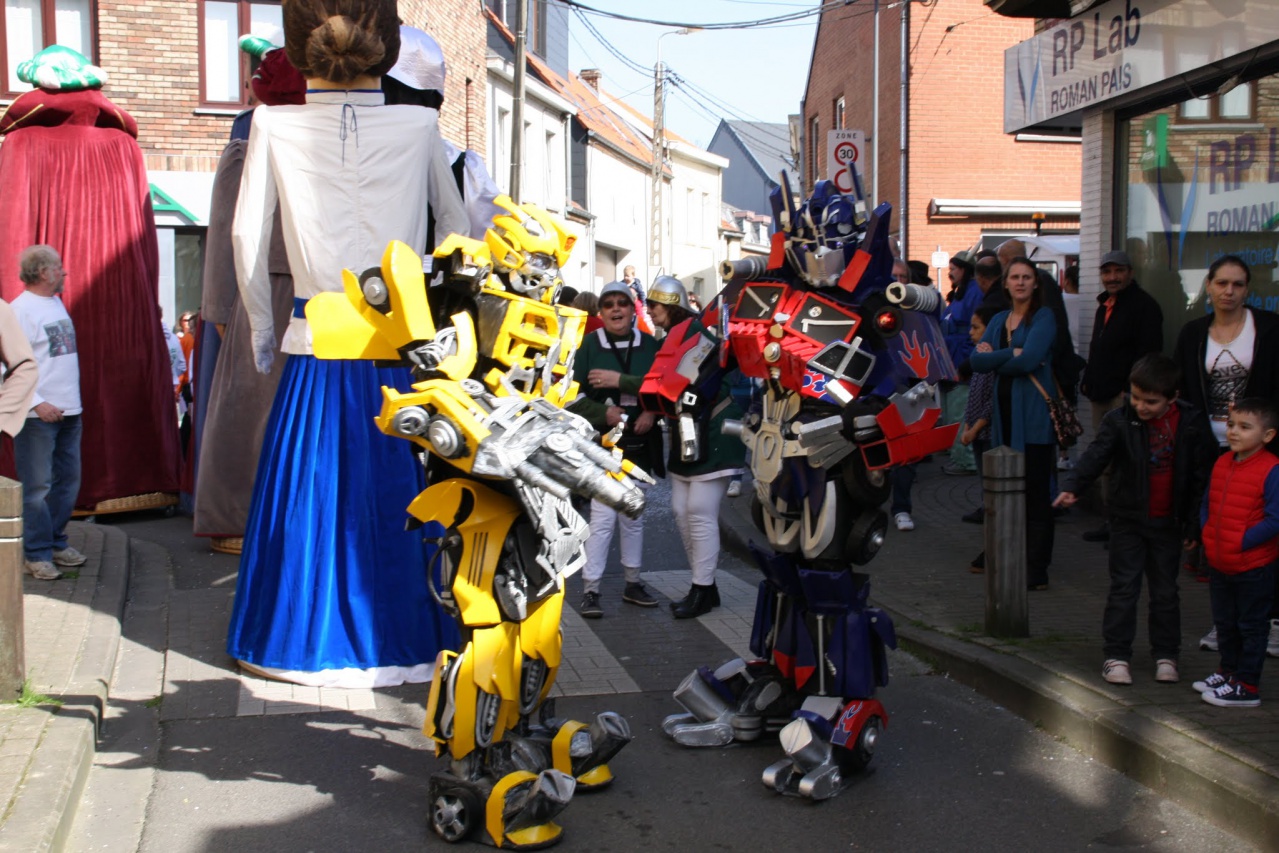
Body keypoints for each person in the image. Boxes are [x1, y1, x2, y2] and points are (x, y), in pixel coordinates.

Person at [226, 0, 468, 687]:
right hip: (401, 346)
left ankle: (300, 642)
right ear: (383, 45)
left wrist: (263, 331)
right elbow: (456, 232)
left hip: (316, 341)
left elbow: (246, 236)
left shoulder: (273, 123)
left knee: (310, 492)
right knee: (405, 494)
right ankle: (409, 641)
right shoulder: (421, 126)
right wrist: (450, 326)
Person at [1054, 354, 1217, 686]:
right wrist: (1073, 486)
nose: (1141, 406)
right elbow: (1096, 454)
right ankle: (1116, 655)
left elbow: (1201, 478)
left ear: (1172, 397)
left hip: (1168, 523)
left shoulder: (1191, 423)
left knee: (1165, 592)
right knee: (1124, 588)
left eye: (1150, 401)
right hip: (1127, 519)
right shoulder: (1119, 420)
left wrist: (1194, 525)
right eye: (1136, 397)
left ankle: (1166, 655)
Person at [1171, 255, 1279, 657]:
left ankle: (1272, 621)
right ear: (1209, 287)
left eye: (1237, 284)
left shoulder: (1269, 329)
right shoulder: (1193, 333)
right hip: (1212, 447)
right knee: (1220, 535)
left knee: (1264, 537)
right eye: (1221, 283)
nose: (1229, 291)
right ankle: (1226, 622)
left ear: (1247, 289)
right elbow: (1183, 390)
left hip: (1261, 448)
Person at [643, 275, 745, 618]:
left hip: (713, 431)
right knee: (681, 510)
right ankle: (706, 586)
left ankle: (701, 589)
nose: (649, 311)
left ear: (671, 305)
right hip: (687, 432)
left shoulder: (700, 335)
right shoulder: (675, 336)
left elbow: (694, 384)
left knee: (699, 512)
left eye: (653, 305)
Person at [569, 281, 663, 618]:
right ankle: (591, 588)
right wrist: (602, 413)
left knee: (633, 515)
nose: (615, 309)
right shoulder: (588, 344)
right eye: (608, 304)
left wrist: (652, 413)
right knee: (602, 517)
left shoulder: (650, 345)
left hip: (640, 441)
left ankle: (632, 583)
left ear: (631, 309)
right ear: (601, 311)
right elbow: (571, 395)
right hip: (603, 443)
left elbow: (663, 387)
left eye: (621, 303)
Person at [971, 256, 1058, 590]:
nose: (1020, 282)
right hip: (1003, 420)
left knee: (1035, 496)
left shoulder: (1044, 317)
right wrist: (1012, 354)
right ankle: (1005, 554)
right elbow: (976, 362)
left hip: (1033, 422)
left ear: (1035, 283)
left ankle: (1037, 569)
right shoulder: (999, 320)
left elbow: (1030, 360)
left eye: (1027, 277)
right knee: (1005, 492)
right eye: (1015, 277)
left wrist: (998, 359)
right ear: (1005, 284)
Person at [1194, 398, 1279, 707]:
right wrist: (1207, 533)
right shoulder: (1223, 462)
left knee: (1251, 626)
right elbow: (1208, 502)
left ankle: (1247, 685)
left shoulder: (1272, 469)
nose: (1233, 432)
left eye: (1244, 427)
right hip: (1221, 562)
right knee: (1225, 623)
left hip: (1253, 566)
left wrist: (1239, 541)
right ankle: (1228, 672)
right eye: (1231, 425)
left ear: (1267, 435)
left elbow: (1275, 519)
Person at [1078, 250, 1164, 543]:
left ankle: (1128, 526)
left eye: (1118, 271)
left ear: (1130, 273)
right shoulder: (1104, 306)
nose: (1112, 277)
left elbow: (1148, 353)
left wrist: (1133, 391)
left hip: (1126, 397)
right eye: (1107, 272)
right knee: (1106, 459)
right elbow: (1098, 347)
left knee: (1128, 462)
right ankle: (1111, 521)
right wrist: (1089, 379)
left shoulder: (1144, 307)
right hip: (1100, 394)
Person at [12, 246, 84, 581]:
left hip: (70, 411)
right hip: (36, 417)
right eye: (58, 267)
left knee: (67, 481)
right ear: (42, 272)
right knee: (37, 487)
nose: (64, 272)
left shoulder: (55, 303)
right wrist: (37, 403)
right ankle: (37, 553)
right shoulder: (19, 311)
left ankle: (55, 542)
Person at [961, 305, 1001, 568]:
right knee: (985, 489)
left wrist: (974, 428)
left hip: (986, 433)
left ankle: (994, 549)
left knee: (992, 492)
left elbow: (990, 403)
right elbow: (973, 398)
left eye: (976, 327)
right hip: (977, 432)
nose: (971, 332)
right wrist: (968, 425)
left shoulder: (992, 359)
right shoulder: (979, 357)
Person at [889, 258, 922, 531]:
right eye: (894, 276)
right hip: (872, 389)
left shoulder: (916, 312)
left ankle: (901, 508)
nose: (898, 282)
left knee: (906, 451)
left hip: (906, 388)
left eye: (903, 277)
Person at [941, 253, 980, 476]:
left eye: (953, 268)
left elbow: (974, 328)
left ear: (964, 269)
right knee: (953, 411)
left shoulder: (973, 292)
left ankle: (966, 460)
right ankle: (959, 456)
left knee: (960, 412)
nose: (950, 273)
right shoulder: (961, 292)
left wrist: (967, 357)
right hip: (952, 357)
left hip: (961, 357)